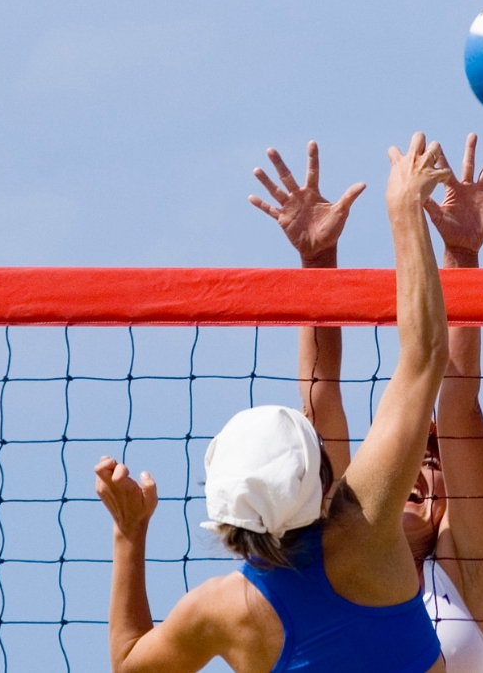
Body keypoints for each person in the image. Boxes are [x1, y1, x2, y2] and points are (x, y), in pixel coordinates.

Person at [94, 132, 453, 673]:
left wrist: (129, 533)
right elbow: (423, 355)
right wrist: (405, 211)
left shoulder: (222, 609)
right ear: (321, 477)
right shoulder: (364, 527)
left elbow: (128, 665)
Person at [250, 134, 483, 672]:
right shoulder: (343, 546)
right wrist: (317, 263)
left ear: (448, 502)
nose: (421, 465)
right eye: (415, 453)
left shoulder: (467, 575)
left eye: (434, 462)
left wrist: (463, 254)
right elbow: (320, 398)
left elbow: (457, 400)